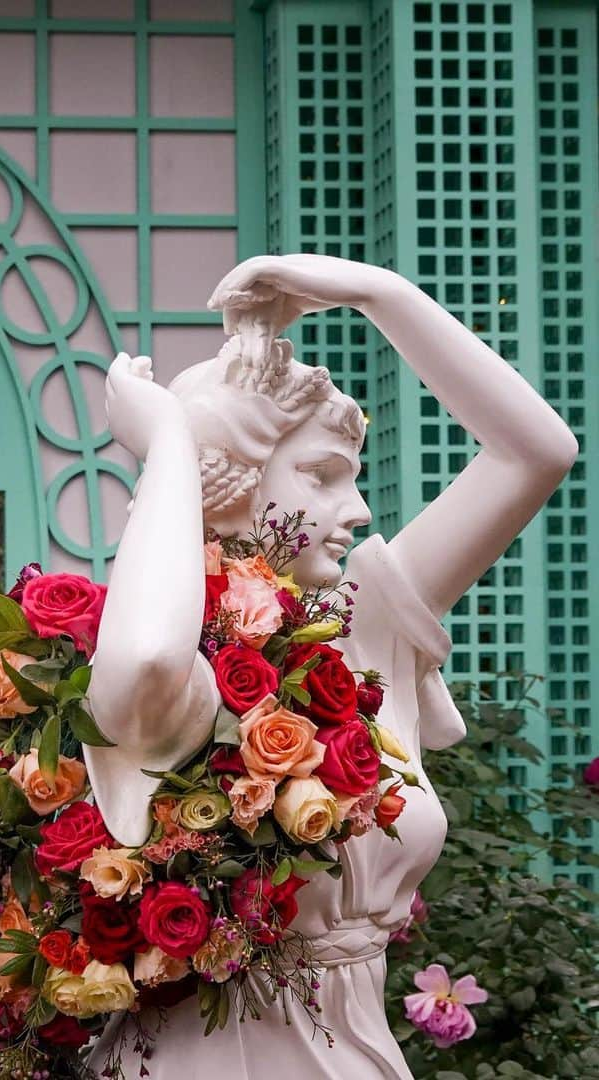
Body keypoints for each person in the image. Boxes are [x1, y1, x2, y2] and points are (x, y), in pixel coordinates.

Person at [85, 253, 577, 1078]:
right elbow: (139, 655)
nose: (357, 508)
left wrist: (378, 294)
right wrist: (172, 440)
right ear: (227, 477)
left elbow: (538, 454)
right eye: (322, 476)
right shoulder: (179, 670)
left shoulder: (362, 630)